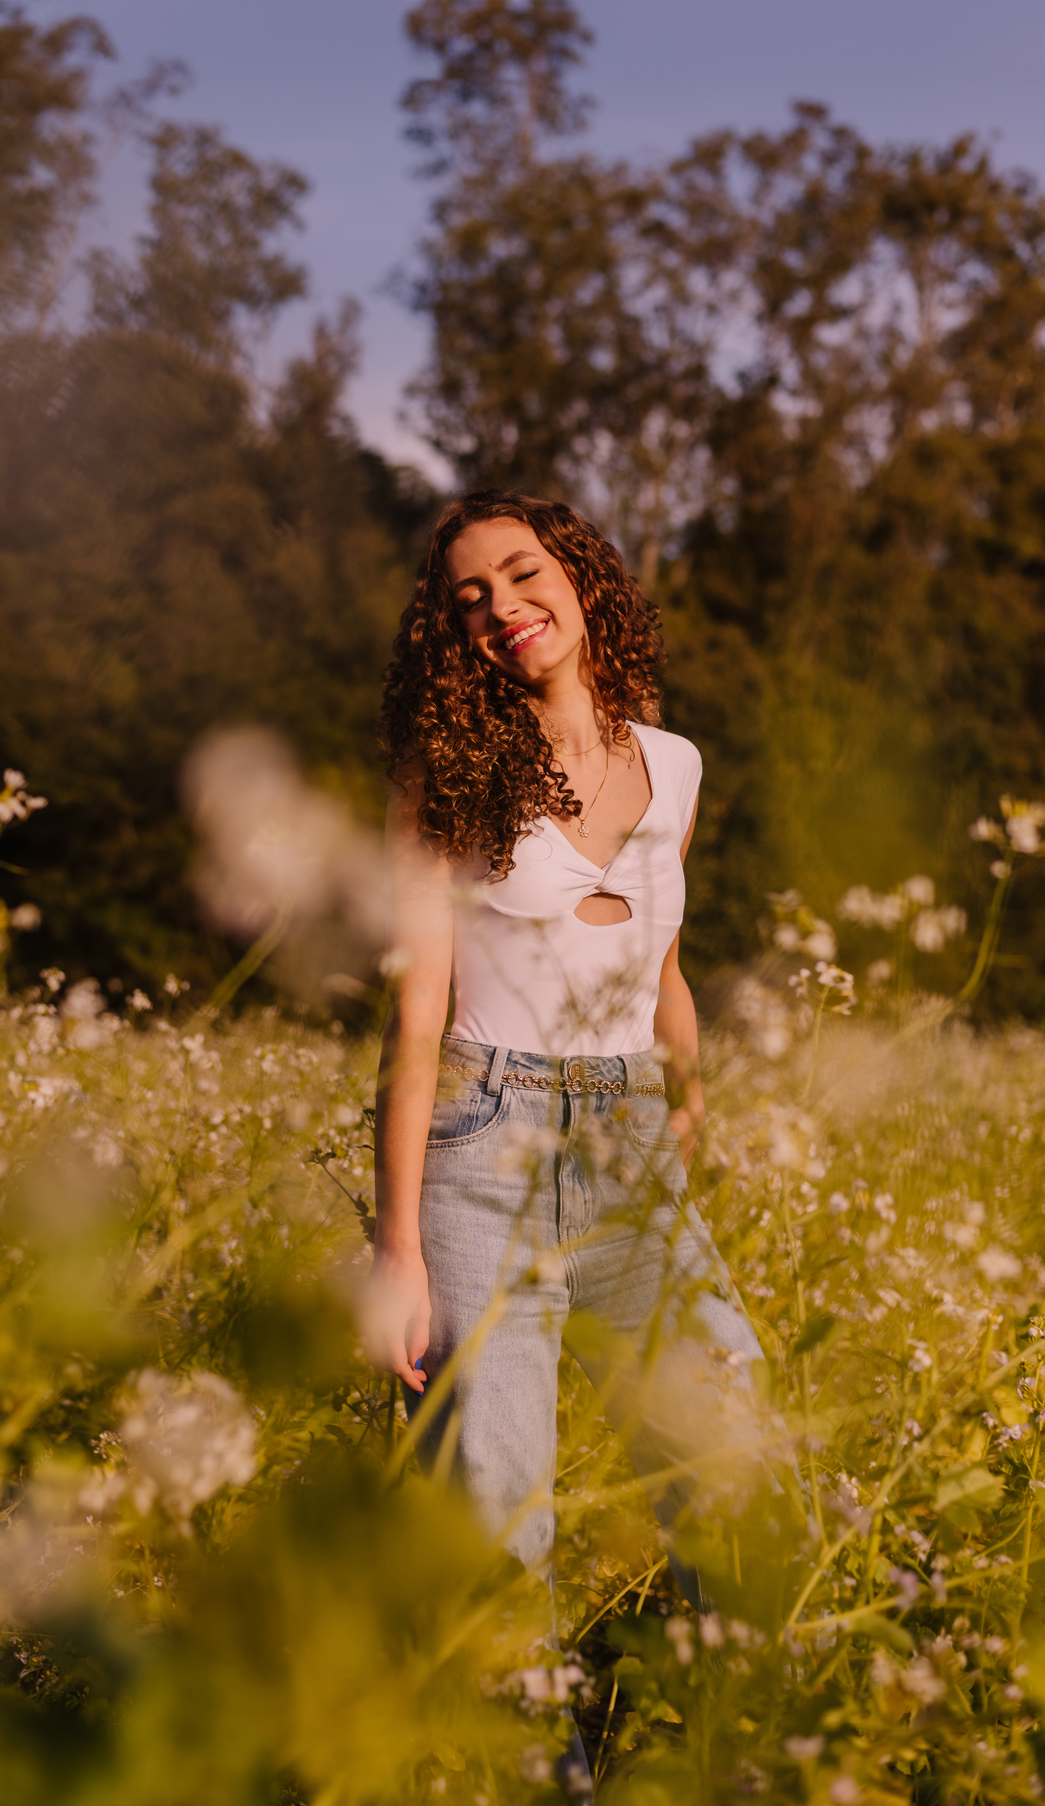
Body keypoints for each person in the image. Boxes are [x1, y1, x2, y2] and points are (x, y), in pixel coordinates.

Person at [367, 489, 770, 1629]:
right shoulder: (443, 772)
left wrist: (682, 1118)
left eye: (523, 572)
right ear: (456, 637)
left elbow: (667, 972)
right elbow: (419, 1016)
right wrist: (399, 1249)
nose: (505, 607)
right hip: (480, 1153)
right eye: (472, 599)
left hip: (631, 1140)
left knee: (736, 1450)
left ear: (581, 576)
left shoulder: (677, 767)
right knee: (493, 1521)